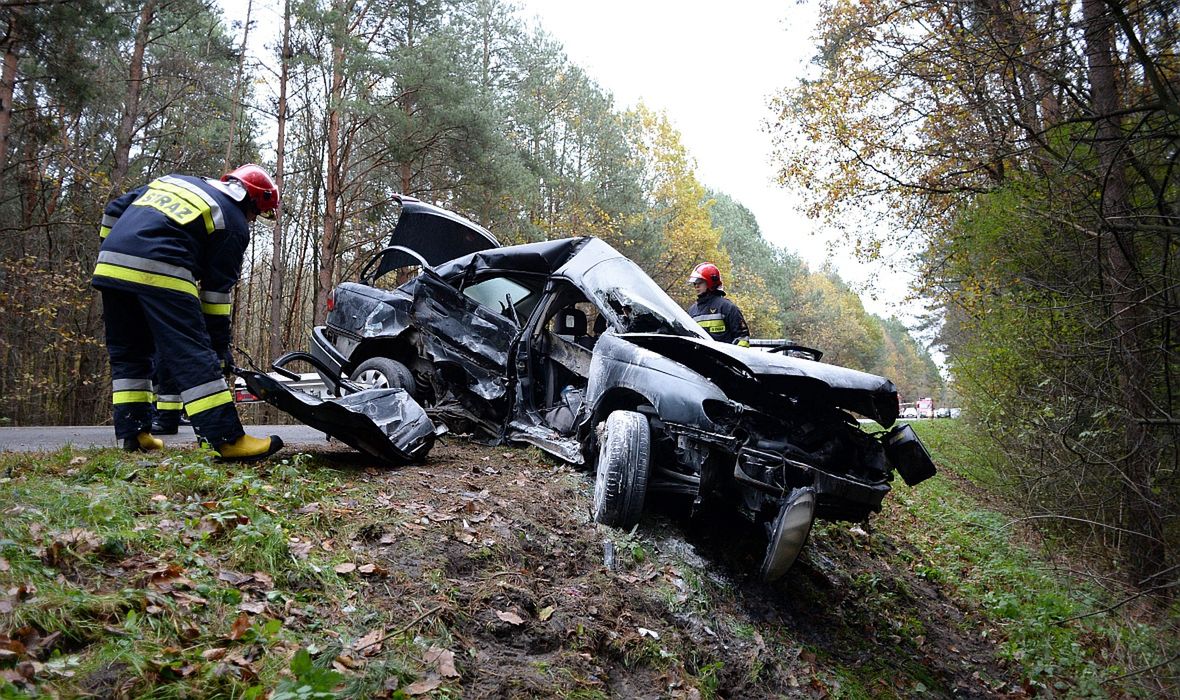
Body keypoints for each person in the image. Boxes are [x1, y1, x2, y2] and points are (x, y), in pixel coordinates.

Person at [93, 164, 283, 460]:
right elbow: (215, 296)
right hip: (162, 267)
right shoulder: (233, 221)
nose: (253, 219)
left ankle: (135, 434)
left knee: (130, 352)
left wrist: (112, 247)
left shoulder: (175, 182)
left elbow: (114, 208)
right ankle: (225, 439)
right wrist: (218, 348)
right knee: (192, 353)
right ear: (253, 201)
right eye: (256, 213)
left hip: (111, 265)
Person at [686, 262, 750, 347]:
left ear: (710, 282)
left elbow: (743, 338)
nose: (696, 286)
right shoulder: (692, 311)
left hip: (723, 359)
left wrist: (730, 357)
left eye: (699, 282)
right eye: (694, 283)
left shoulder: (727, 307)